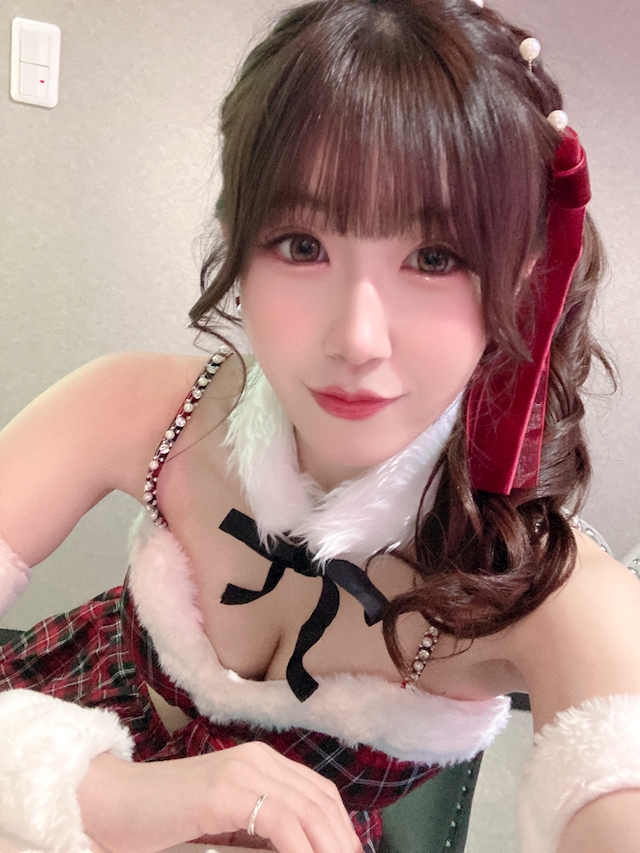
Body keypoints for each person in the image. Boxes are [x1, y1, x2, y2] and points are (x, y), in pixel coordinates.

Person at [1, 1, 639, 852]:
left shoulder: (539, 584)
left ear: (521, 278)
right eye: (302, 244)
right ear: (237, 240)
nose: (357, 339)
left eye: (435, 257)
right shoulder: (139, 408)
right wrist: (99, 792)